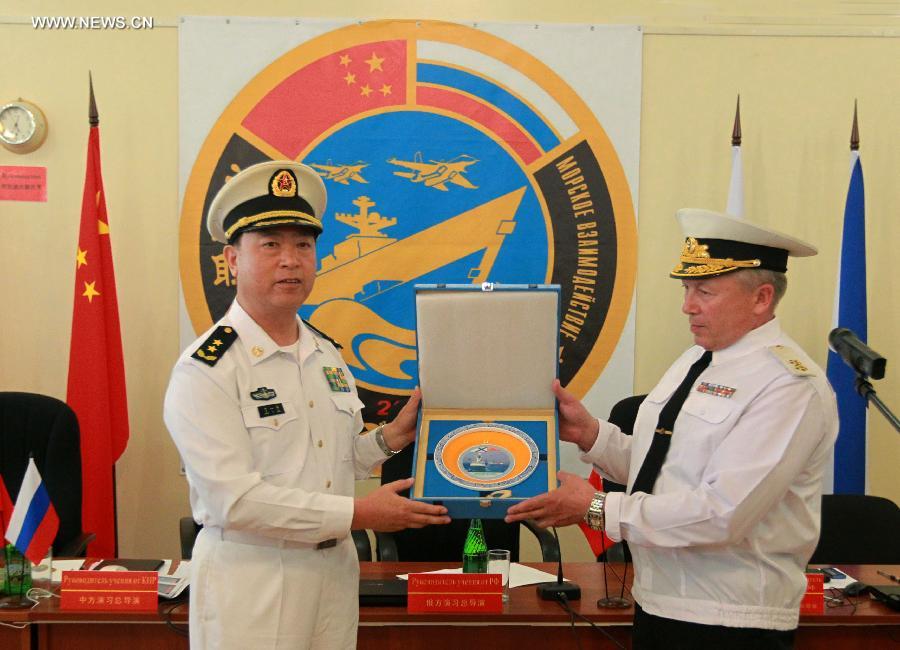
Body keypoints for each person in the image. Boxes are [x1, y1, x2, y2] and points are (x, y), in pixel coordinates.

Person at [506, 208, 838, 649]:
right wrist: (591, 434)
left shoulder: (788, 385)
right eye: (686, 288)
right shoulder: (697, 359)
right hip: (658, 602)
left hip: (731, 621)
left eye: (705, 290)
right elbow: (663, 469)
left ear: (761, 298)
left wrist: (599, 508)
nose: (688, 305)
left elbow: (723, 514)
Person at [164, 160, 449, 649]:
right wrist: (359, 515)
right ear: (232, 260)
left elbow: (324, 461)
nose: (290, 260)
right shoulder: (207, 369)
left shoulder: (325, 353)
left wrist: (388, 440)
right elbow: (233, 500)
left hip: (334, 574)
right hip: (253, 582)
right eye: (270, 245)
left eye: (303, 244)